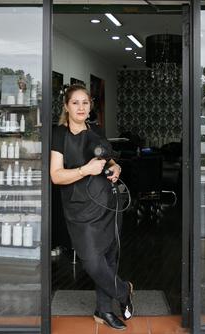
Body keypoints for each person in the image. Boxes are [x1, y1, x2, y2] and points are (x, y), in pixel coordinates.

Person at [50, 84, 134, 330]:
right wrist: (85, 170)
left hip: (107, 202)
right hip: (79, 209)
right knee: (91, 261)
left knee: (108, 259)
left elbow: (108, 158)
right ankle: (124, 291)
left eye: (85, 102)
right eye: (75, 102)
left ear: (90, 106)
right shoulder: (59, 135)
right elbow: (56, 176)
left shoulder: (96, 130)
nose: (80, 107)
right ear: (66, 106)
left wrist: (115, 167)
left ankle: (103, 310)